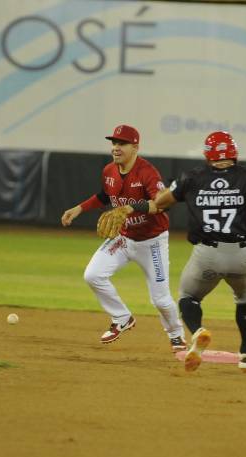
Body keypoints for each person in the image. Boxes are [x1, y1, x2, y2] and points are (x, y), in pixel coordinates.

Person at [151, 131, 246, 372]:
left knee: (188, 297)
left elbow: (160, 201)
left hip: (207, 254)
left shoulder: (193, 177)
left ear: (207, 154)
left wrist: (170, 193)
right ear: (234, 153)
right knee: (245, 299)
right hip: (243, 255)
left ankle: (198, 331)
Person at [61, 124, 186, 352]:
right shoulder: (109, 170)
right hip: (124, 238)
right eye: (114, 143)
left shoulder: (147, 173)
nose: (116, 148)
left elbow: (161, 205)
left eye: (122, 144)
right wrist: (79, 208)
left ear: (135, 146)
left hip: (152, 242)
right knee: (93, 275)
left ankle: (177, 335)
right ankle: (122, 317)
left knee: (160, 300)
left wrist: (130, 208)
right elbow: (103, 196)